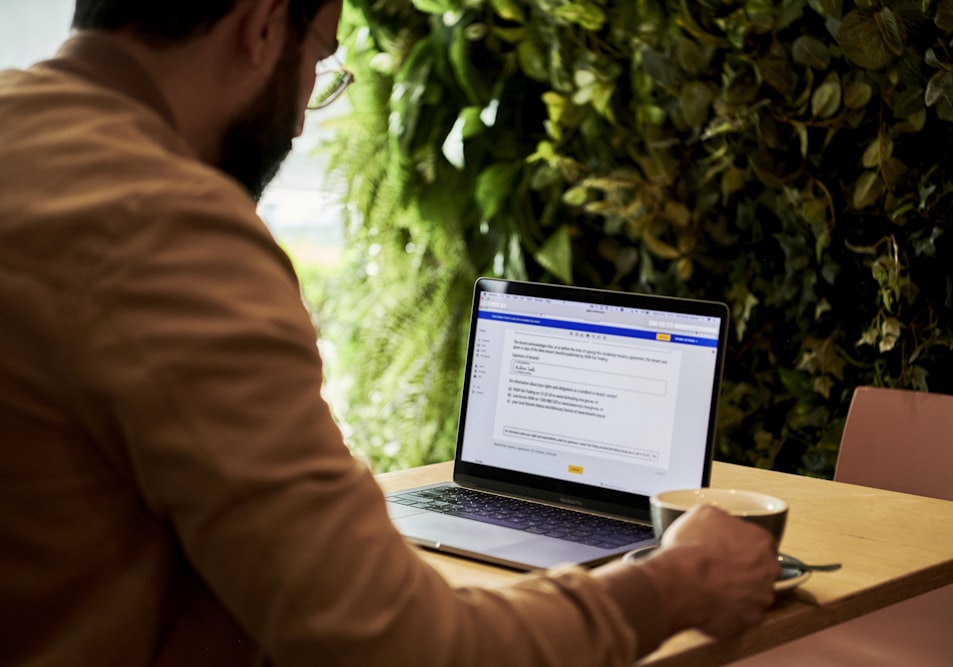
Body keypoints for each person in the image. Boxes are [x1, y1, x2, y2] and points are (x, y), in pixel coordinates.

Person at [0, 1, 780, 664]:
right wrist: (669, 585)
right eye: (320, 62)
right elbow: (398, 647)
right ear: (262, 28)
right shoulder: (164, 225)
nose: (304, 115)